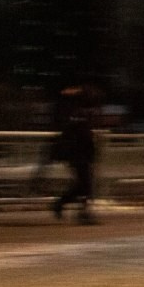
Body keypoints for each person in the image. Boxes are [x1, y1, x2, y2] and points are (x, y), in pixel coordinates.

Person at [49, 84, 99, 224]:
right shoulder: (75, 113)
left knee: (85, 184)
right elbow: (81, 135)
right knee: (85, 184)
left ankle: (68, 206)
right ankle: (76, 210)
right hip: (77, 153)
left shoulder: (76, 112)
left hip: (79, 153)